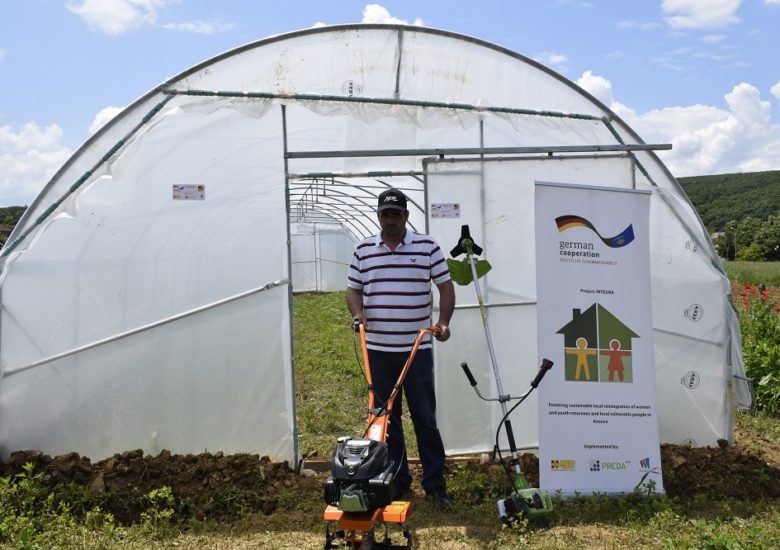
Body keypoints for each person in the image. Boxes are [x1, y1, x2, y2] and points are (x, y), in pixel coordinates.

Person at [346, 188, 456, 508]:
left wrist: (444, 322)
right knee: (386, 418)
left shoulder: (427, 247)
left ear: (406, 216)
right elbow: (353, 290)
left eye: (396, 214)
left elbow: (446, 288)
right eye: (385, 214)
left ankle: (435, 483)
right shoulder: (364, 250)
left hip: (416, 349)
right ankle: (397, 480)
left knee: (425, 417)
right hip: (378, 349)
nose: (390, 220)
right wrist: (358, 314)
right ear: (378, 217)